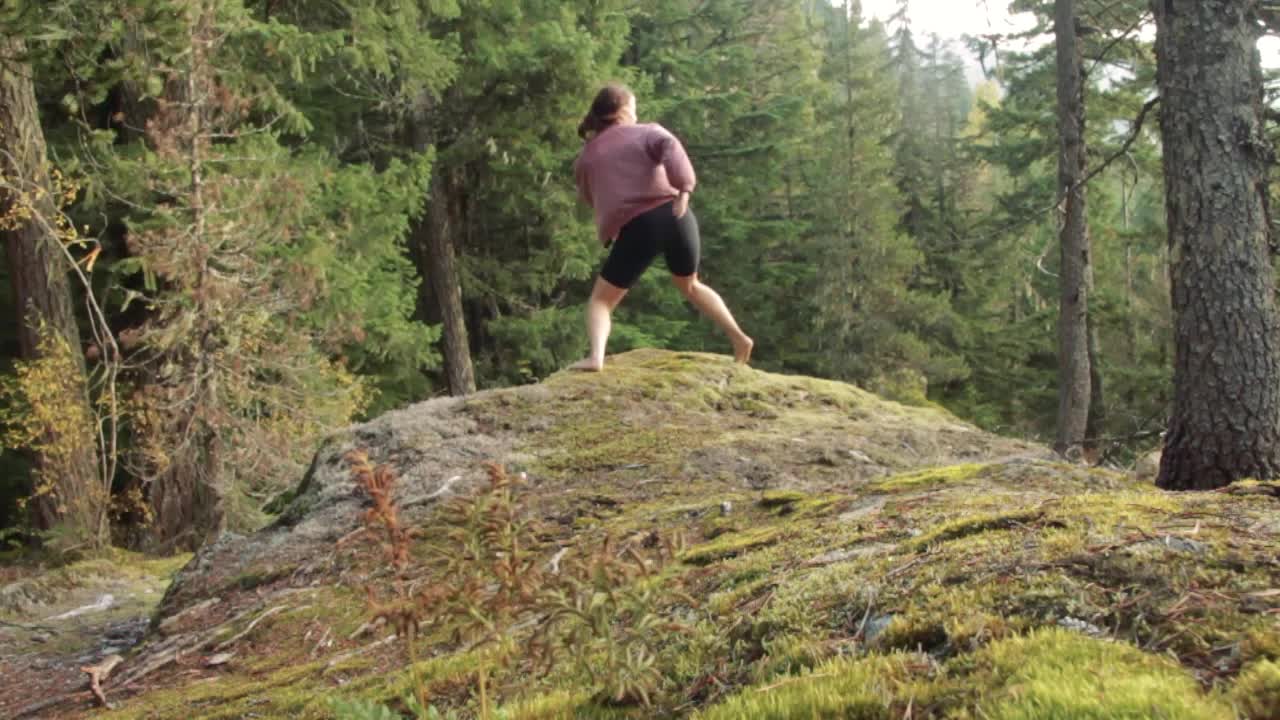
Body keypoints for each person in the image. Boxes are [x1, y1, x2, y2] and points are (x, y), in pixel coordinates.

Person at [570, 83, 753, 372]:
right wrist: (684, 189)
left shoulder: (586, 158)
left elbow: (588, 195)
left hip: (640, 225)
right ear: (623, 111)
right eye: (634, 107)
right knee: (690, 284)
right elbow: (670, 145)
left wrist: (615, 214)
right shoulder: (646, 132)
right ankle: (739, 339)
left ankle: (596, 358)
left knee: (600, 301)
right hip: (676, 214)